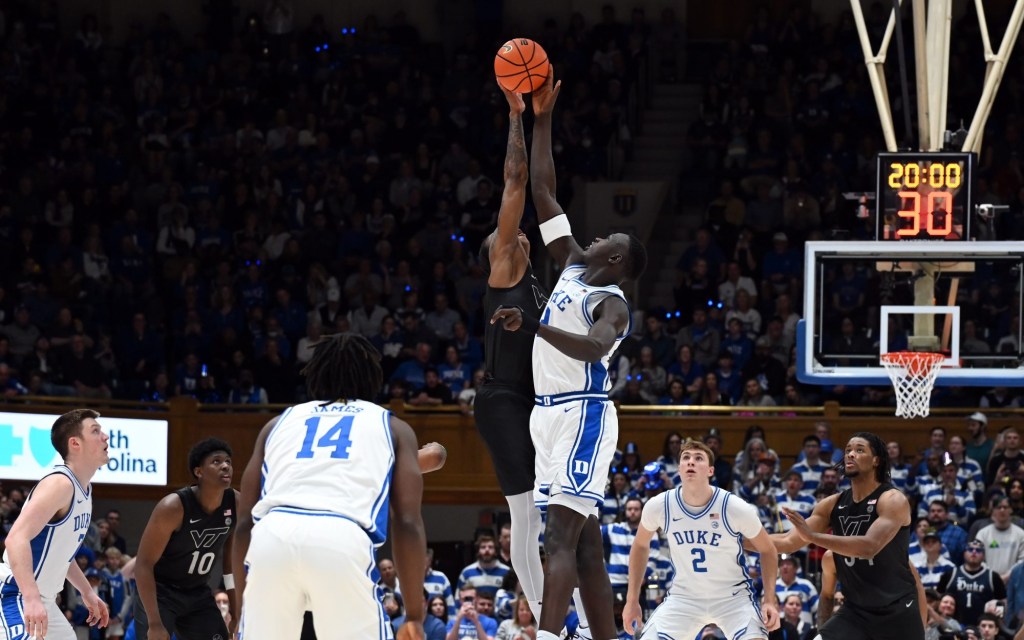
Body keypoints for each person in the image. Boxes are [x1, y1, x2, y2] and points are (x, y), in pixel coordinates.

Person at [491, 70, 648, 640]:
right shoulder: (576, 263)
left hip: (583, 412)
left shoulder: (613, 303)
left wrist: (534, 324)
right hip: (548, 415)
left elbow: (593, 347)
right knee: (585, 544)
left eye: (612, 240)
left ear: (618, 263)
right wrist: (542, 118)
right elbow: (542, 191)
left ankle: (551, 636)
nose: (601, 235)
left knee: (556, 537)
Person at [232, 333, 428, 640]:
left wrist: (244, 609)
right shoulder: (392, 426)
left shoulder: (278, 423)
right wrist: (414, 614)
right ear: (372, 378)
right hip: (341, 537)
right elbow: (406, 522)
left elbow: (244, 523)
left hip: (271, 537)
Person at [474, 82, 547, 622]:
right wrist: (518, 116)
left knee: (547, 515)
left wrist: (546, 122)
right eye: (508, 232)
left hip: (534, 401)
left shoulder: (536, 280)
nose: (518, 233)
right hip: (503, 399)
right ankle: (549, 617)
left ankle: (557, 612)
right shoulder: (505, 267)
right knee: (524, 515)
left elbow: (541, 184)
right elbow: (517, 180)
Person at [622, 439, 780, 640]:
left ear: (711, 471)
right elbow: (640, 545)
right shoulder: (660, 505)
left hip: (733, 598)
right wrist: (632, 599)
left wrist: (769, 600)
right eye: (685, 458)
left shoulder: (733, 507)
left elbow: (768, 550)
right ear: (678, 469)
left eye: (698, 458)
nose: (691, 462)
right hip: (684, 598)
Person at [773, 432, 924, 640]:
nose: (851, 454)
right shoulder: (831, 504)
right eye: (848, 450)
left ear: (876, 461)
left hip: (898, 612)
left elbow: (868, 546)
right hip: (855, 613)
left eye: (859, 450)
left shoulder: (892, 499)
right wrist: (737, 539)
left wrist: (812, 536)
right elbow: (787, 541)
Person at [0, 409, 111, 640]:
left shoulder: (84, 490)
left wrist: (87, 592)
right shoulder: (60, 484)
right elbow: (15, 539)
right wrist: (31, 599)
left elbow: (61, 554)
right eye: (95, 431)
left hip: (44, 600)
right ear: (75, 443)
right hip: (16, 594)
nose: (105, 436)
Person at [133, 438, 237, 640]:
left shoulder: (236, 503)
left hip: (197, 592)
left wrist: (235, 610)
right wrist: (154, 622)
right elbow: (143, 565)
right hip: (161, 593)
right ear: (199, 472)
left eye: (228, 462)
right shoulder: (173, 507)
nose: (226, 466)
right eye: (216, 461)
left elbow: (230, 565)